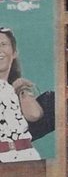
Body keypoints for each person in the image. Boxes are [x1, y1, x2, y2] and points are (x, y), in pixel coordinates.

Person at [0, 27, 42, 162]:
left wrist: (20, 89)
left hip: (27, 155)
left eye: (3, 44)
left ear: (14, 52)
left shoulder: (16, 86)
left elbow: (34, 115)